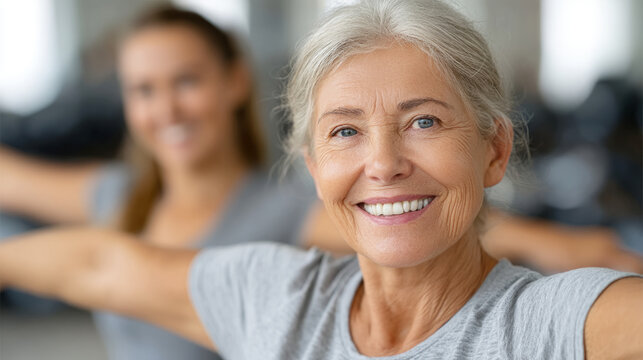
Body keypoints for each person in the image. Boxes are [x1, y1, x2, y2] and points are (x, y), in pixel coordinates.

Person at [0, 1, 642, 359]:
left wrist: (550, 242)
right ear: (314, 167)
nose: (384, 162)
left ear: (495, 149)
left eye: (422, 121)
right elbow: (97, 263)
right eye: (344, 131)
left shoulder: (554, 322)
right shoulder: (276, 299)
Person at [0, 6, 316, 360]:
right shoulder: (119, 195)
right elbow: (9, 179)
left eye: (186, 81)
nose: (167, 110)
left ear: (236, 80)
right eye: (144, 90)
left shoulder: (294, 211)